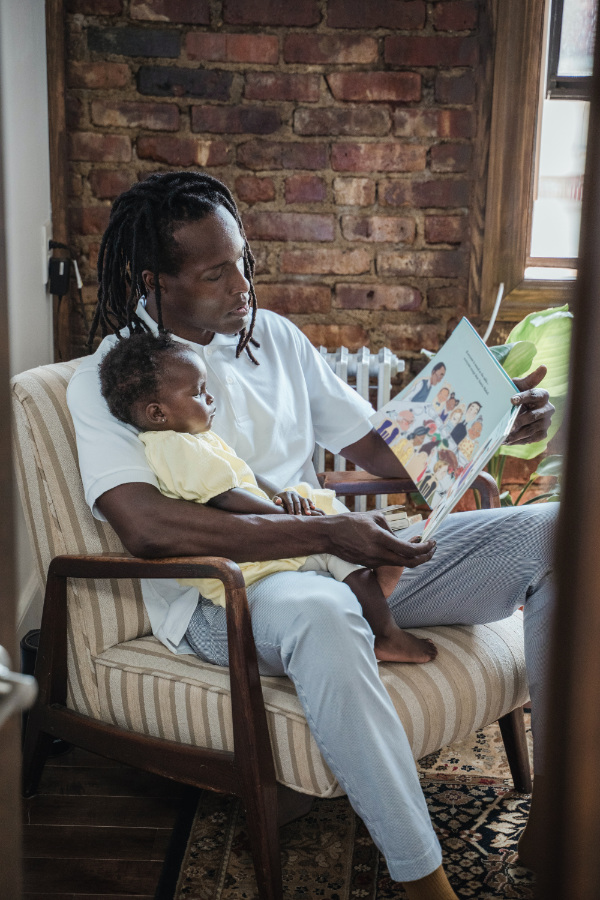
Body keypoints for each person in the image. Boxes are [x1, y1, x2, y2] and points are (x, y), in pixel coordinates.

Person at [67, 171, 556, 898]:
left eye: (243, 261)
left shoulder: (279, 342)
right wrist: (325, 531)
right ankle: (424, 881)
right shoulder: (114, 377)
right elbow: (146, 525)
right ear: (154, 281)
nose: (242, 285)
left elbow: (392, 452)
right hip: (226, 598)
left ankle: (558, 809)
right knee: (325, 614)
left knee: (558, 528)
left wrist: (493, 424)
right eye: (215, 272)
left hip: (342, 555)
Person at [98, 330, 437, 664]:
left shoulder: (192, 440)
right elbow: (227, 496)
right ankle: (386, 634)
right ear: (158, 413)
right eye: (199, 394)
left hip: (257, 533)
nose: (210, 399)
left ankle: (375, 574)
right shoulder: (177, 448)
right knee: (341, 552)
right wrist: (292, 518)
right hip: (249, 558)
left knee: (325, 516)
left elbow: (243, 478)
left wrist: (283, 497)